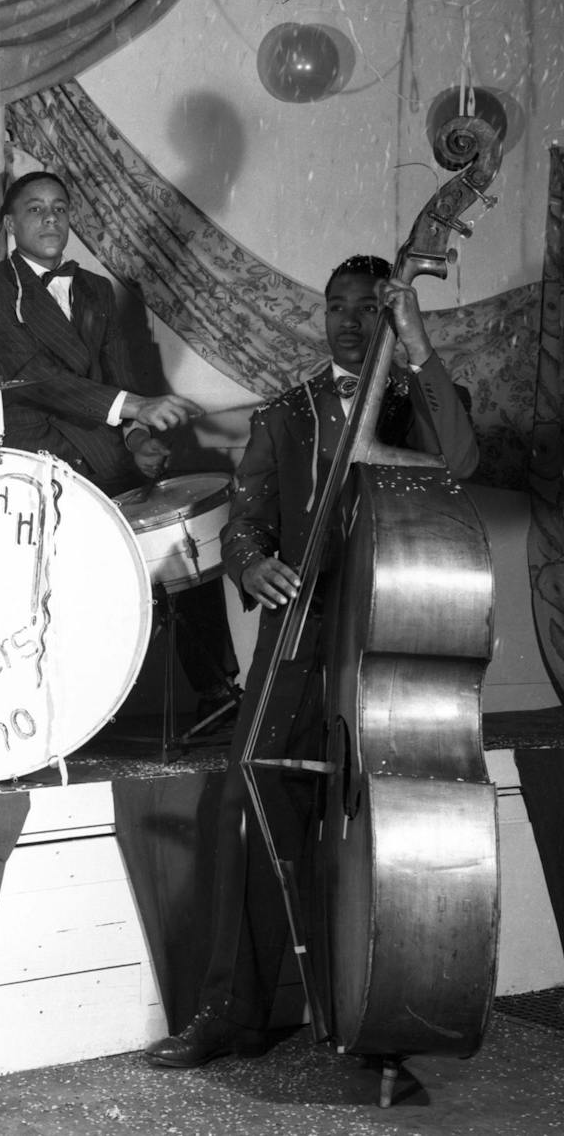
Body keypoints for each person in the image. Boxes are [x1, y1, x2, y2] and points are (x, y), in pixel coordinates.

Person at [143, 254, 480, 1068]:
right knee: (246, 804)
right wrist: (252, 562)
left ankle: (385, 1003)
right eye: (337, 306)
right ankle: (234, 1010)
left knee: (386, 824)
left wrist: (418, 346)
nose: (350, 320)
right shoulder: (287, 412)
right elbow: (249, 513)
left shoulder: (418, 399)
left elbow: (461, 464)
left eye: (369, 307)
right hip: (298, 635)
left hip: (395, 633)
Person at [0, 169, 240, 719]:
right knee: (64, 595)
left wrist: (137, 439)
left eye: (60, 208)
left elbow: (119, 373)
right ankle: (69, 714)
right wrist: (135, 409)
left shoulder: (94, 290)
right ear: (11, 224)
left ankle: (216, 697)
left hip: (108, 458)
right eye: (35, 209)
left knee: (184, 546)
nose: (50, 219)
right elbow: (37, 377)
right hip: (40, 466)